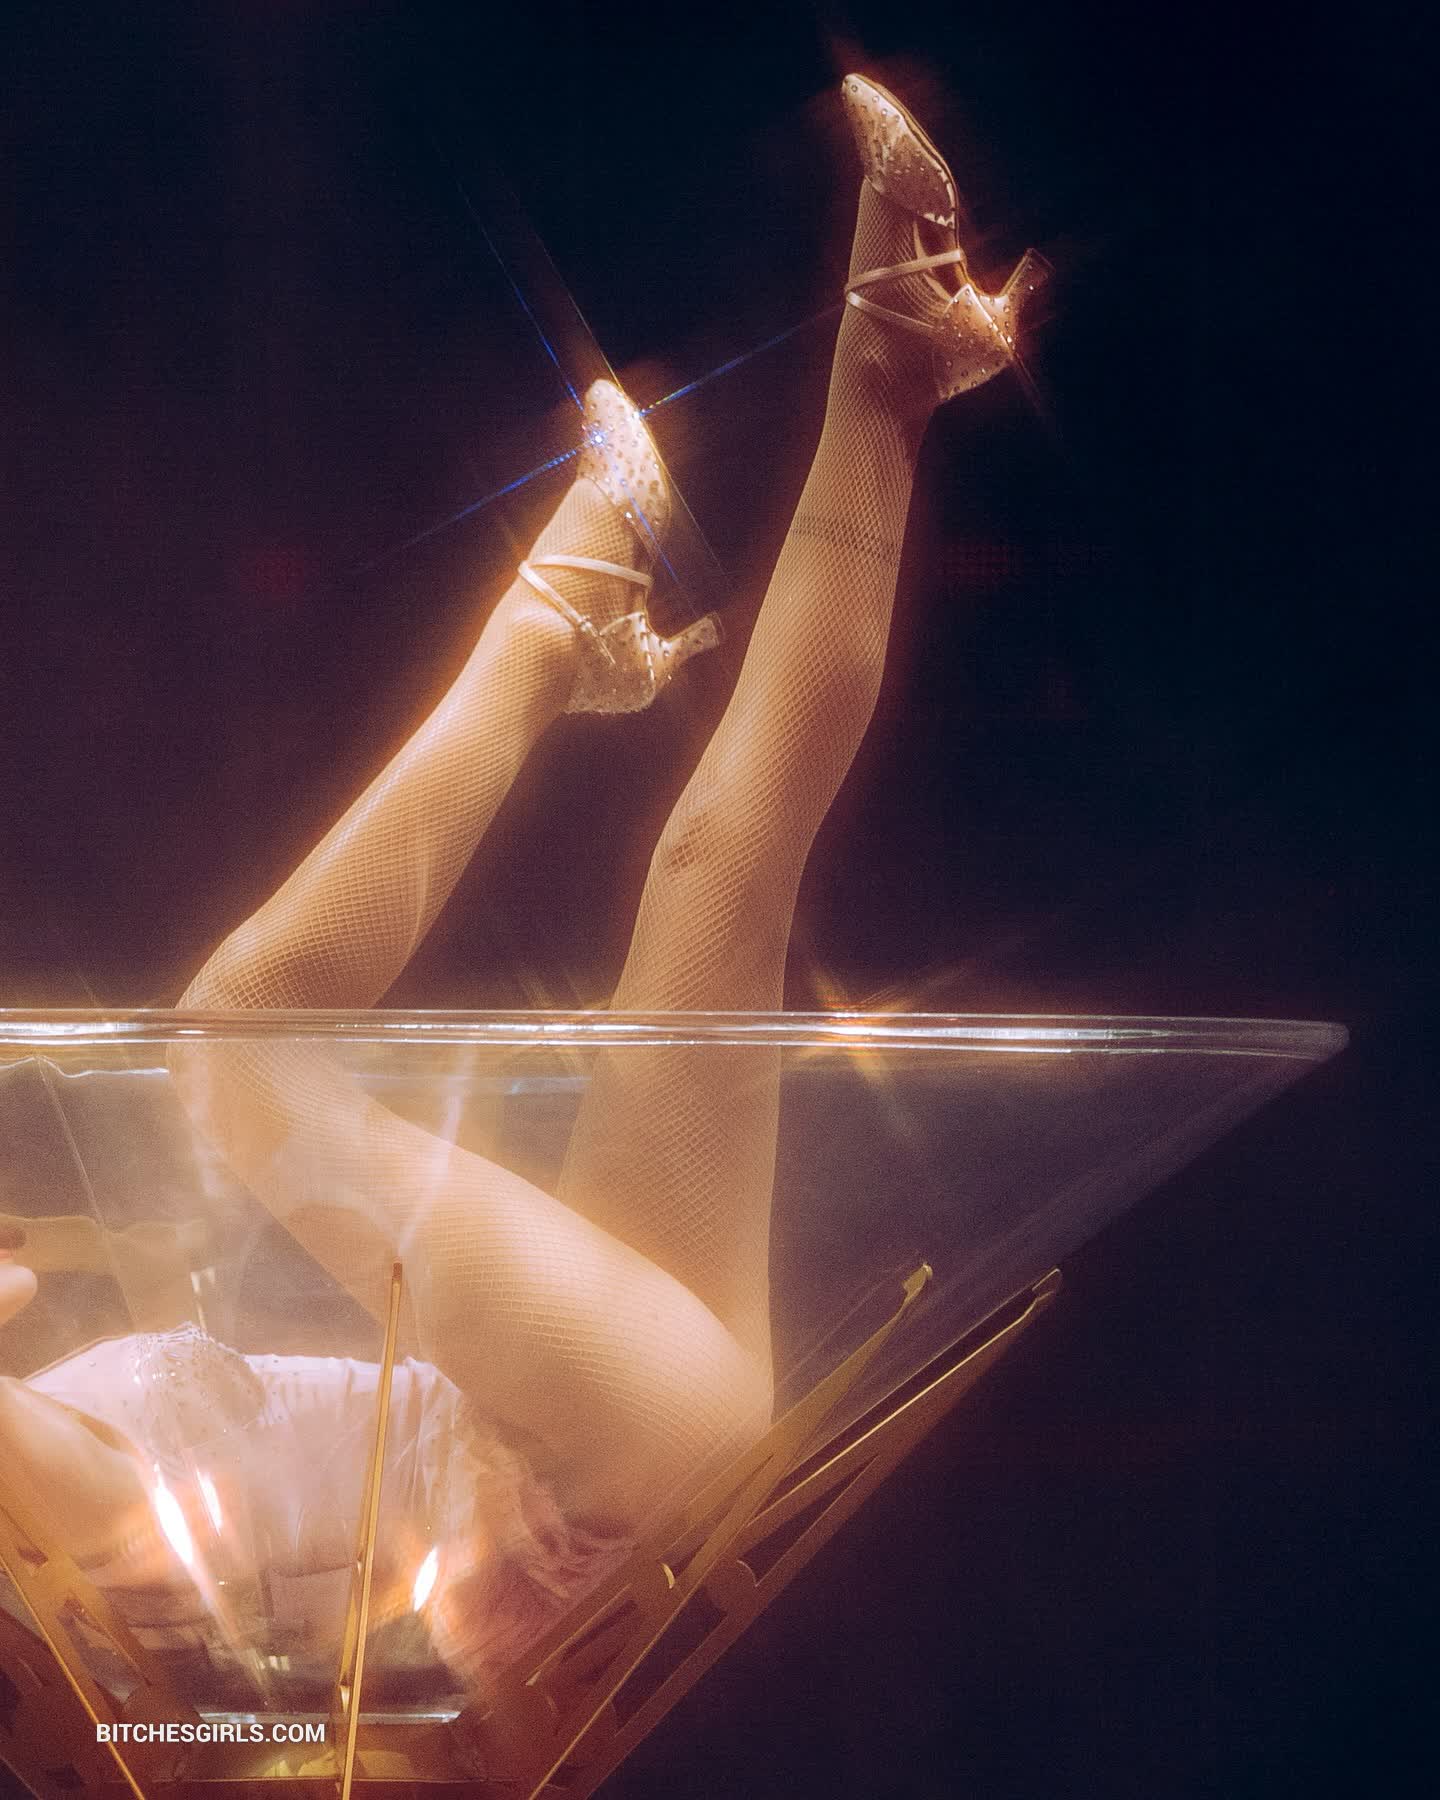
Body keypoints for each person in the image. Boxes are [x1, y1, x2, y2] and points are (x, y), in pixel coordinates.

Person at [0, 75, 1047, 1692]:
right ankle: (548, 642)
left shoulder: (71, 1425)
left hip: (607, 1416)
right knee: (234, 1049)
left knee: (716, 866)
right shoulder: (55, 1509)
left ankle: (893, 378)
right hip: (584, 1473)